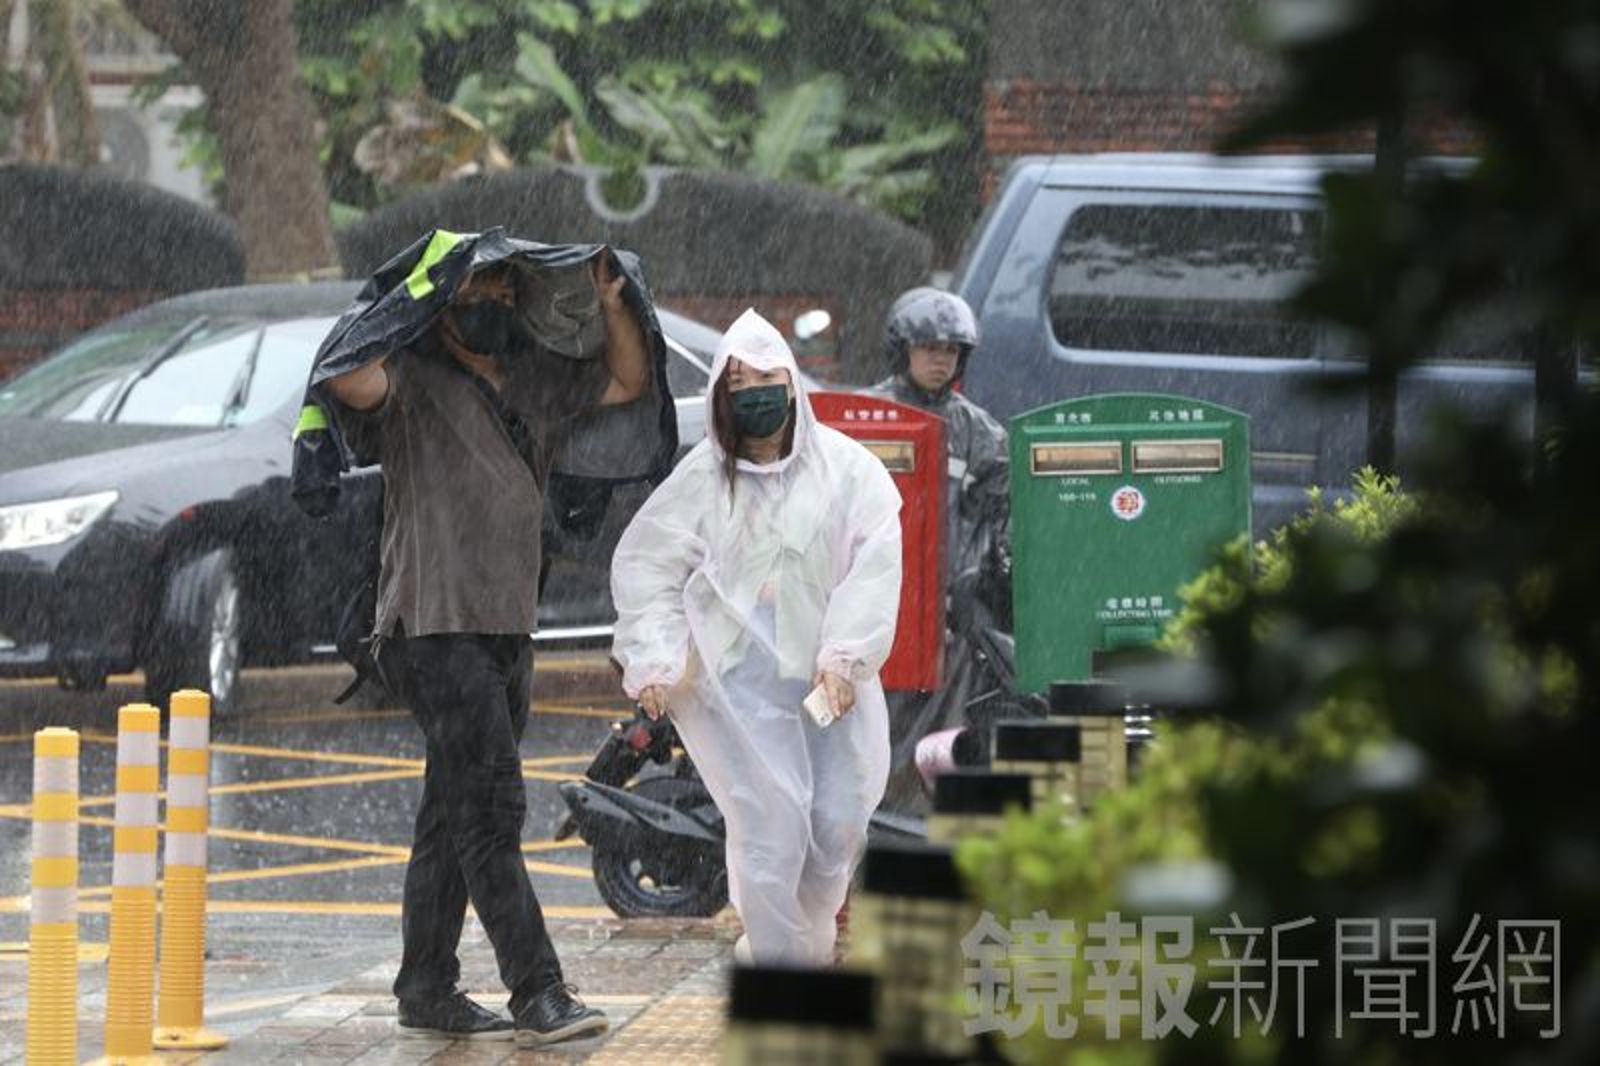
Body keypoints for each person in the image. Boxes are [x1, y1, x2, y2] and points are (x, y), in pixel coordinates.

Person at [323, 253, 650, 1046]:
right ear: (441, 308)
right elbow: (343, 372)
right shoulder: (409, 379)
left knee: (451, 808)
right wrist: (419, 294)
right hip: (432, 626)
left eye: (507, 292)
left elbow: (625, 384)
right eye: (477, 294)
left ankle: (426, 985)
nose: (494, 306)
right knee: (493, 806)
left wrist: (611, 304)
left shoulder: (533, 381)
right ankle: (536, 991)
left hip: (508, 627)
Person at [610, 309, 903, 966]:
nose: (754, 393)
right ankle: (779, 964)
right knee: (769, 834)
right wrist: (655, 658)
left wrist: (846, 656)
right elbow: (649, 565)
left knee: (834, 824)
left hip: (826, 689)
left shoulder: (845, 471)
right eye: (738, 382)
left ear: (792, 382)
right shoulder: (705, 479)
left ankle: (805, 942)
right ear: (721, 396)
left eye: (766, 377)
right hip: (741, 694)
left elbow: (875, 562)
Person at [864, 287, 1011, 809]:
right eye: (928, 347)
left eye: (950, 350)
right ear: (902, 349)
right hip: (870, 611)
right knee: (861, 737)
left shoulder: (979, 432)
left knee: (936, 744)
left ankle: (912, 832)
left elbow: (1007, 511)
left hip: (943, 623)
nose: (939, 359)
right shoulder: (864, 416)